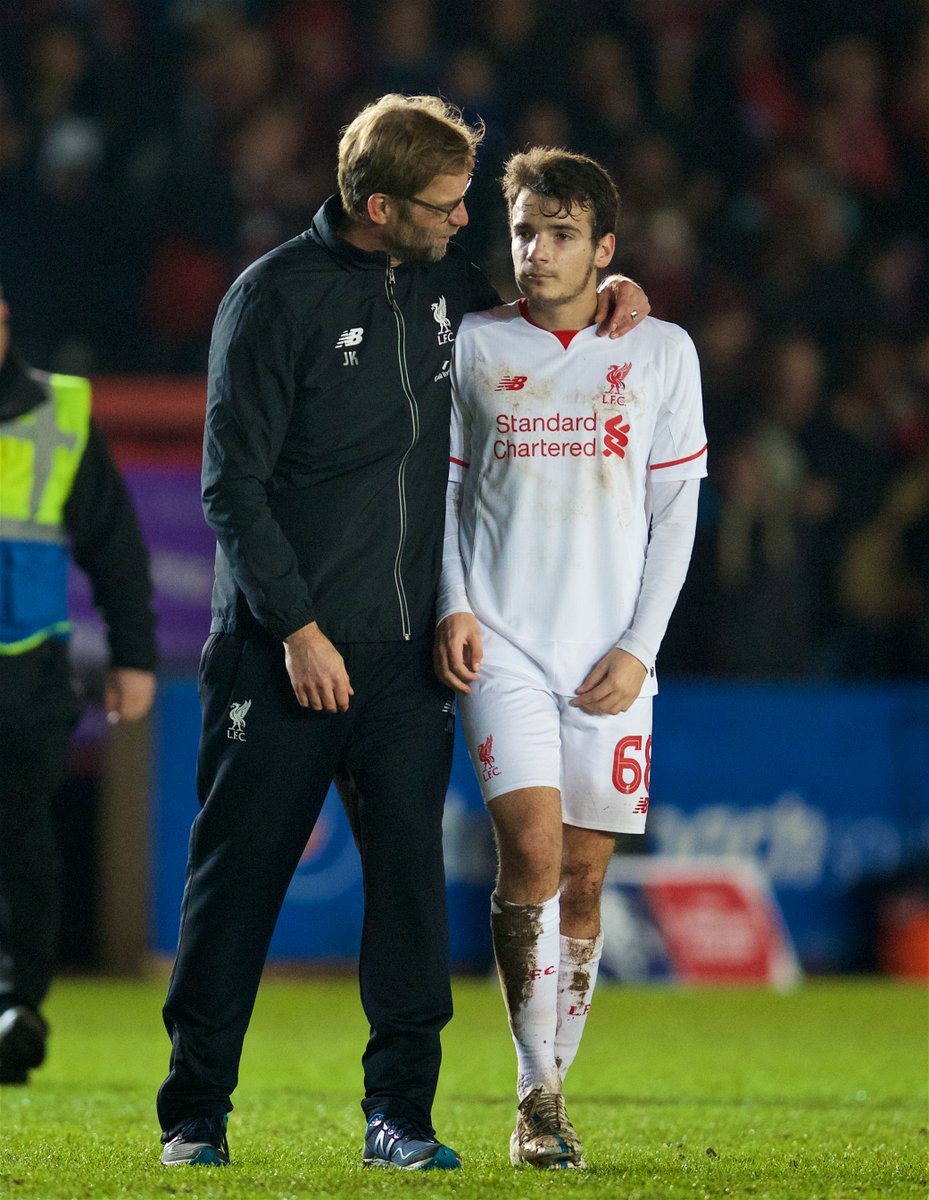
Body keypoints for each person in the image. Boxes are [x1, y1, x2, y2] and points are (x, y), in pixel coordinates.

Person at [155, 94, 648, 1171]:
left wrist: (614, 290)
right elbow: (230, 488)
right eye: (443, 204)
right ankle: (195, 1113)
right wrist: (295, 627)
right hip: (284, 653)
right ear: (377, 206)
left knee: (410, 899)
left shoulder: (441, 285)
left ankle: (401, 1120)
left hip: (403, 659)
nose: (467, 220)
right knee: (236, 884)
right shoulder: (270, 299)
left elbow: (548, 310)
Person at [434, 148, 707, 1170]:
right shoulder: (473, 342)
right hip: (501, 644)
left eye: (557, 234)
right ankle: (534, 1099)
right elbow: (449, 499)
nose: (534, 252)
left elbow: (676, 514)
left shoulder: (660, 351)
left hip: (610, 658)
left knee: (584, 885)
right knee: (533, 860)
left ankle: (554, 1089)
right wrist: (455, 609)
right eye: (521, 231)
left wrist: (640, 648)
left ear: (602, 248)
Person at [0, 285, 157, 1085]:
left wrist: (134, 657)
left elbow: (115, 546)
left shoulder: (57, 414)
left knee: (23, 843)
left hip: (26, 676)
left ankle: (16, 1008)